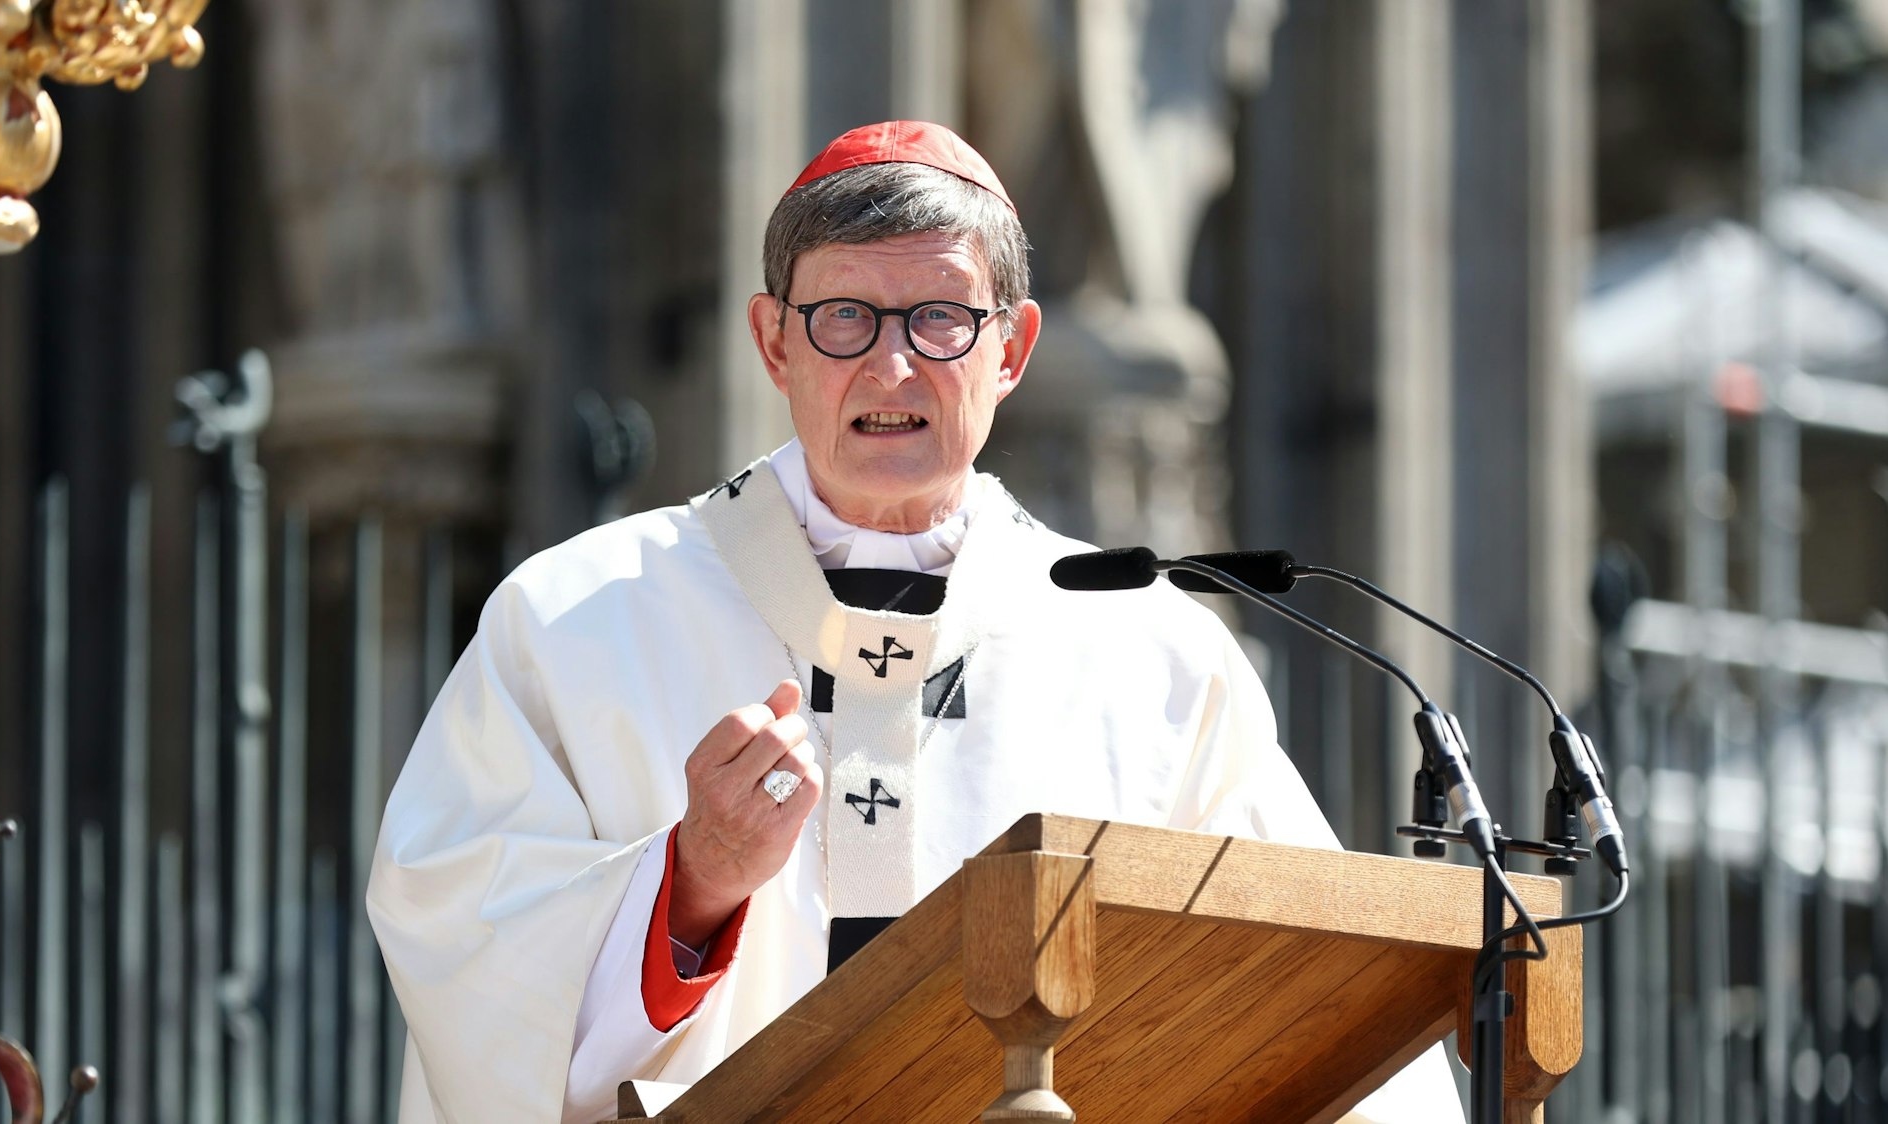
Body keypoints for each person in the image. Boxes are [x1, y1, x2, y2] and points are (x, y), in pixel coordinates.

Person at [368, 120, 1465, 1124]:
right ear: (773, 343)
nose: (890, 365)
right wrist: (692, 882)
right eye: (843, 315)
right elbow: (461, 951)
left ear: (1012, 348)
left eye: (940, 316)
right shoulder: (579, 617)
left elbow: (1293, 997)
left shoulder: (1147, 649)